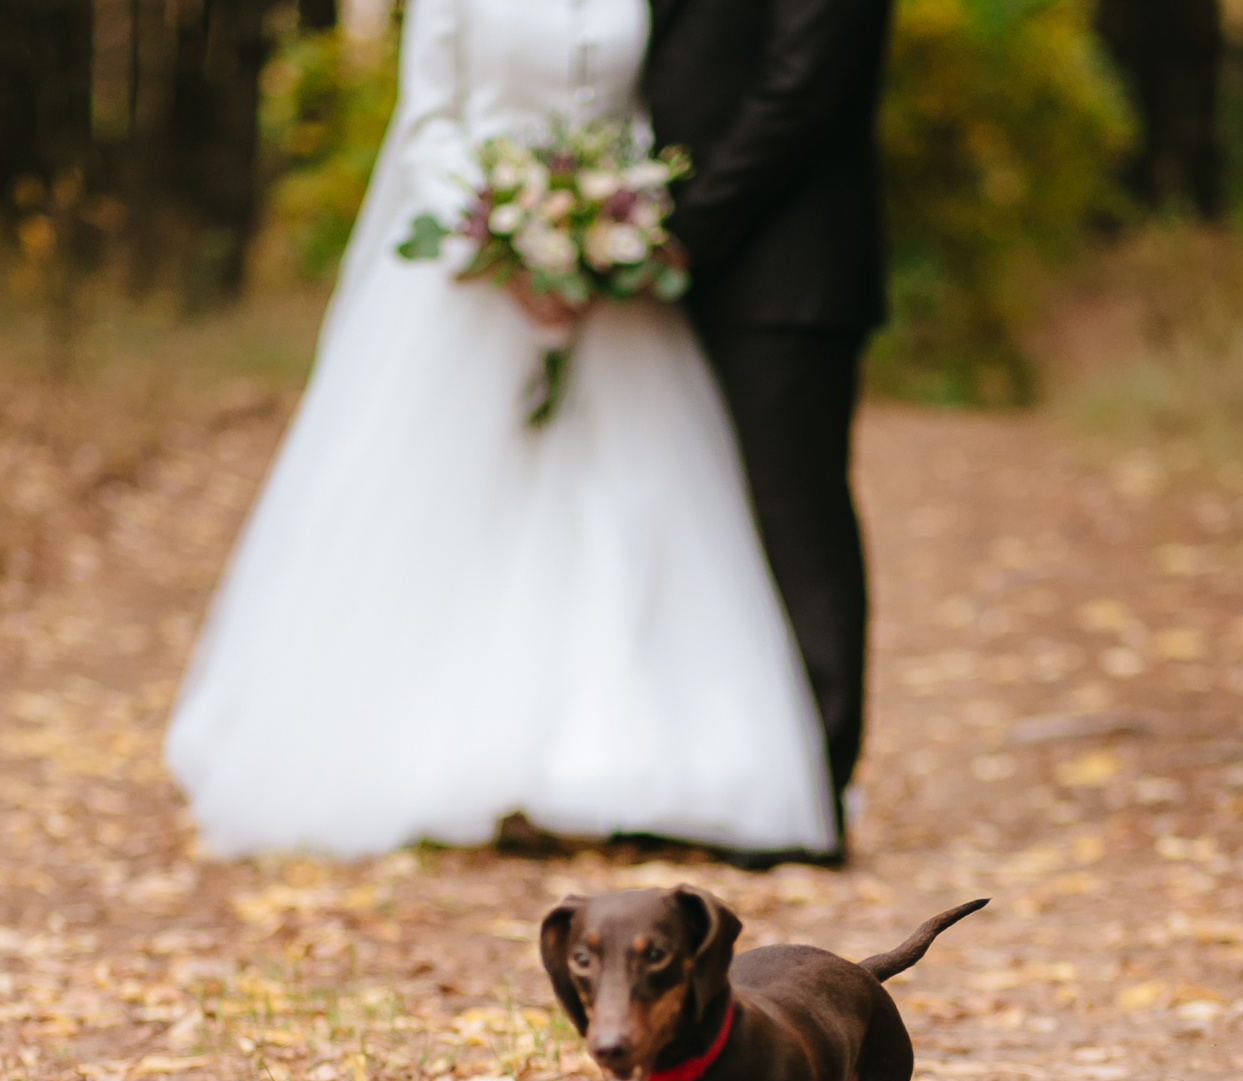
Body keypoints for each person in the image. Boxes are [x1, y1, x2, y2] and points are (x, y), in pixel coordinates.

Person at [164, 0, 838, 865]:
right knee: (442, 507)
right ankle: (435, 754)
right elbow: (429, 122)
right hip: (471, 278)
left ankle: (608, 762)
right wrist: (503, 238)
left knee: (622, 502)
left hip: (610, 284)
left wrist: (615, 231)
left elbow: (647, 112)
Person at [648, 0, 894, 843]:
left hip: (785, 275)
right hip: (660, 282)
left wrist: (688, 230)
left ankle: (813, 791)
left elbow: (804, 88)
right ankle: (720, 772)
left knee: (795, 522)